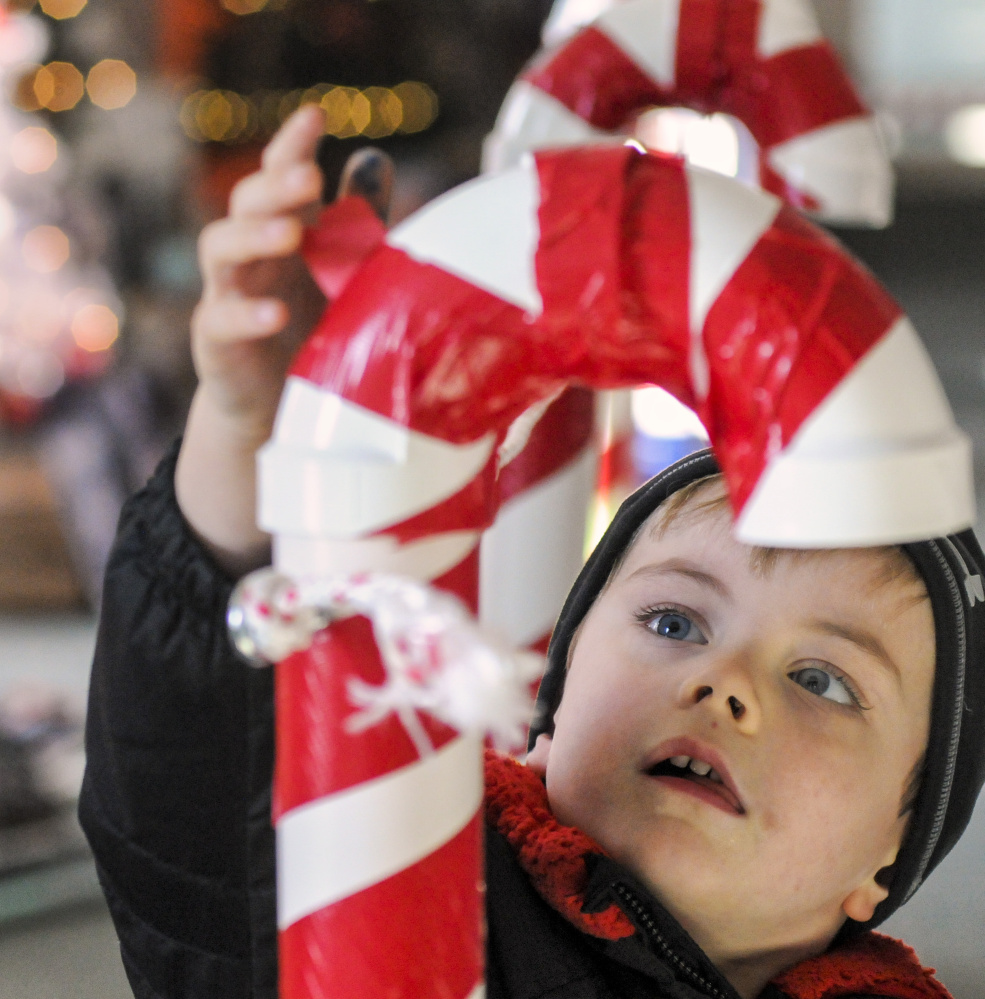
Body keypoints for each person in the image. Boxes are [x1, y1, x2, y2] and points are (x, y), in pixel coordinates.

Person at [80, 106, 985, 999]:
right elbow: (190, 830)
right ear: (545, 716)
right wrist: (273, 458)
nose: (726, 686)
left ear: (888, 857)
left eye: (822, 678)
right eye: (673, 619)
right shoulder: (406, 856)